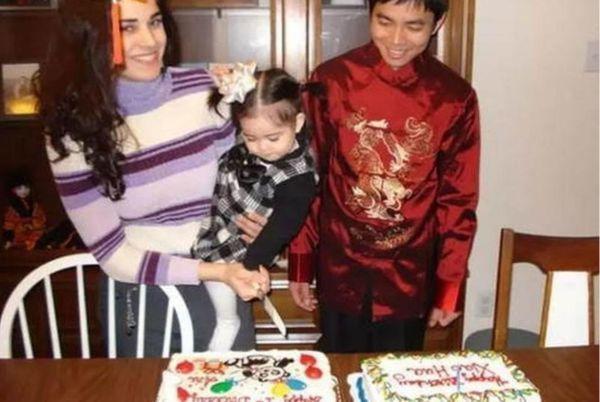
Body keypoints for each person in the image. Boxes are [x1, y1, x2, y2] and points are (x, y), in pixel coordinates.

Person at [36, 0, 270, 355]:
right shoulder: (71, 128)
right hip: (144, 294)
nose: (150, 40)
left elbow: (244, 178)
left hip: (224, 285)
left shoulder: (207, 89)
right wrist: (211, 271)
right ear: (90, 38)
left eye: (155, 22)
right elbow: (112, 253)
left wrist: (257, 219)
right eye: (127, 28)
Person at [288, 0, 480, 353]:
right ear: (370, 15)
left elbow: (458, 199)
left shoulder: (454, 97)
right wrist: (300, 261)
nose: (396, 39)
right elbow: (310, 177)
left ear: (437, 25)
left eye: (414, 26)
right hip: (340, 262)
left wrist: (449, 285)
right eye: (385, 21)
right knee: (338, 367)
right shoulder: (331, 80)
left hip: (410, 272)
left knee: (398, 373)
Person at [191, 65, 319, 351]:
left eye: (273, 138)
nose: (261, 147)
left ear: (298, 123)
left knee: (225, 311)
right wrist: (228, 83)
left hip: (241, 249)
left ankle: (220, 342)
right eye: (250, 138)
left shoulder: (298, 178)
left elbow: (281, 229)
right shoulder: (253, 129)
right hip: (216, 222)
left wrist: (250, 266)